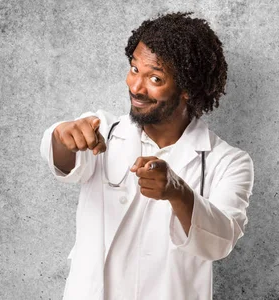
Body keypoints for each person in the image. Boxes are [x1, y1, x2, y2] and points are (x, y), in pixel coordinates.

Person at [39, 12, 254, 300]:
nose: (136, 87)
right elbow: (64, 159)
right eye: (133, 69)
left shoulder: (228, 162)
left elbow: (221, 240)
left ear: (188, 89)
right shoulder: (104, 130)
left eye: (155, 78)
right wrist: (63, 136)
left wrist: (178, 192)